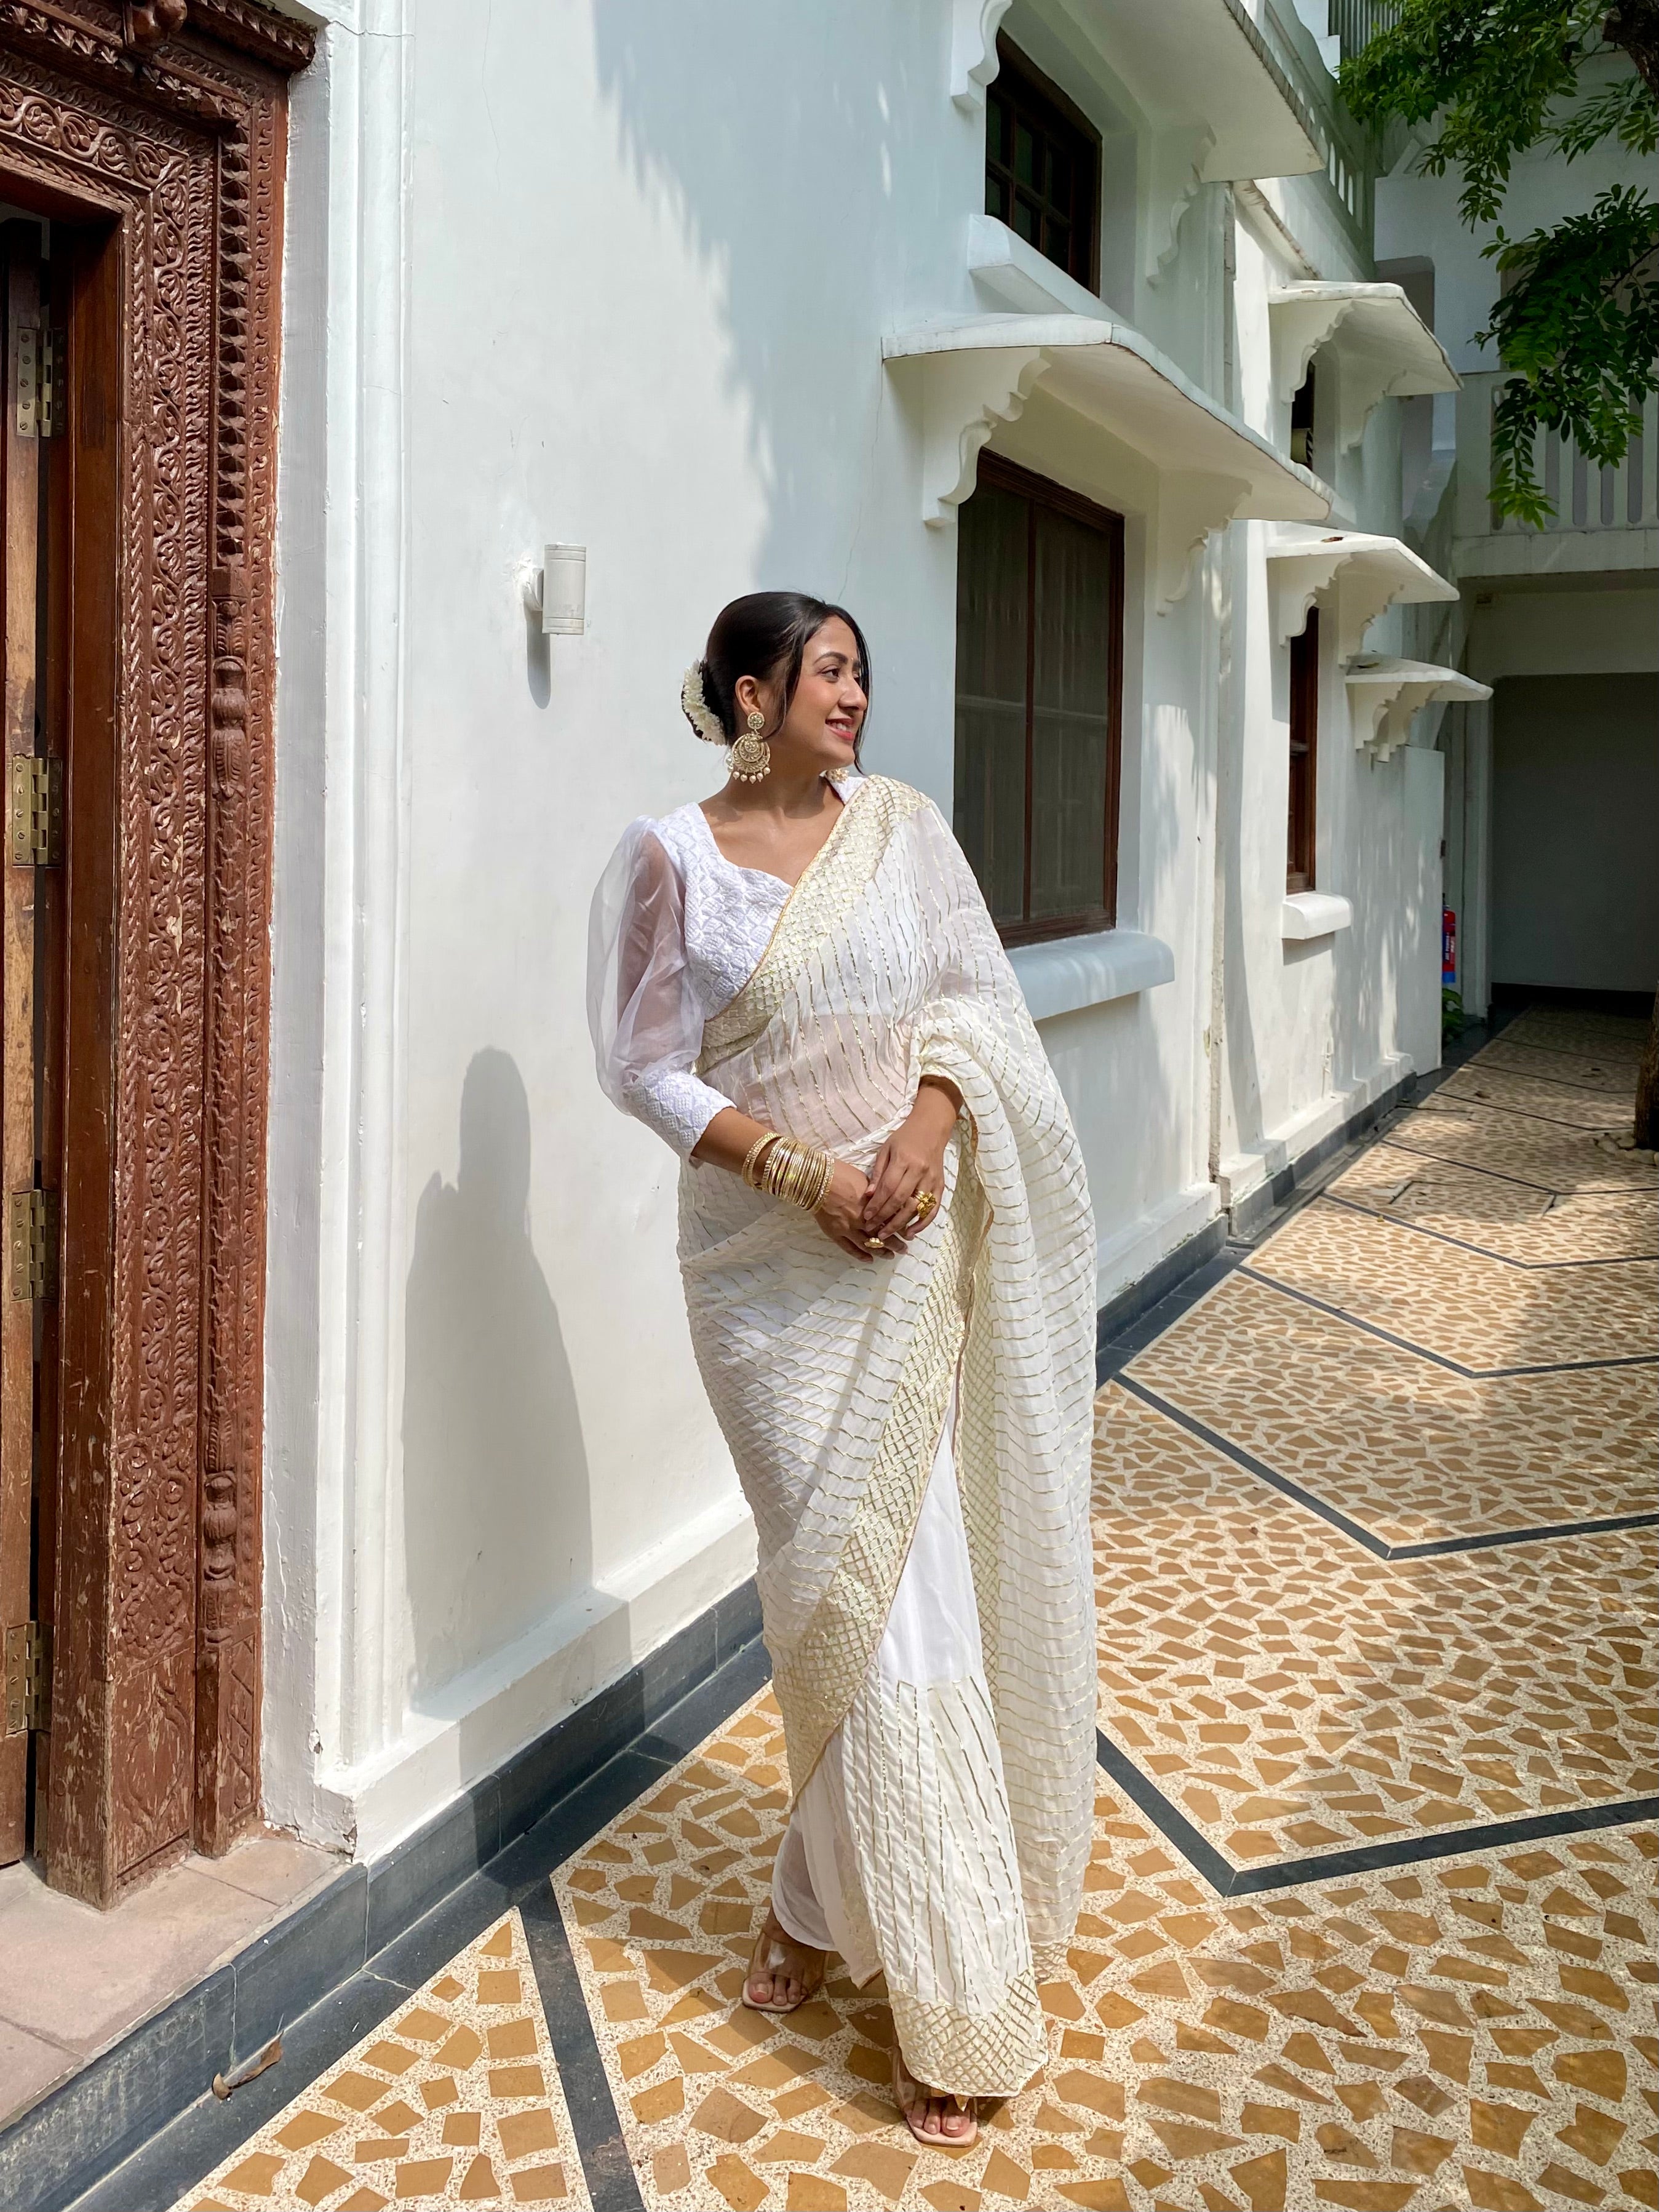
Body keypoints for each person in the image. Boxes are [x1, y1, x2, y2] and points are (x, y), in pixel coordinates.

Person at [587, 591, 1097, 2147]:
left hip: (905, 1248)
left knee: (905, 1593)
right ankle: (823, 1915)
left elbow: (968, 1004)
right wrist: (808, 1175)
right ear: (751, 695)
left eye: (862, 672)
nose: (855, 697)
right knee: (834, 1591)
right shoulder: (671, 857)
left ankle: (932, 1983)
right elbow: (640, 1064)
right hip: (761, 1276)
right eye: (828, 673)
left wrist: (923, 1148)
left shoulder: (904, 830)